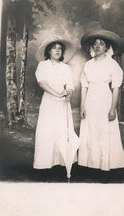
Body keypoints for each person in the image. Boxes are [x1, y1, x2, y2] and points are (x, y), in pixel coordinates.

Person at [78, 30, 124, 171]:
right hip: (90, 100)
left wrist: (113, 108)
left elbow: (116, 88)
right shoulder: (88, 65)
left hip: (105, 100)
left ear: (107, 47)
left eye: (102, 44)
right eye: (95, 44)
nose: (98, 46)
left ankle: (105, 164)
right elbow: (84, 86)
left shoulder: (112, 64)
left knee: (104, 130)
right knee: (91, 129)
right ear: (92, 47)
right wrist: (82, 107)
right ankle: (90, 162)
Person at [33, 38, 78, 178]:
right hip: (49, 102)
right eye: (54, 48)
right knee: (47, 131)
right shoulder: (43, 65)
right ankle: (45, 163)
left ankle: (62, 162)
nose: (58, 50)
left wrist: (68, 95)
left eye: (60, 48)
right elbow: (42, 83)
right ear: (48, 51)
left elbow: (70, 86)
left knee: (62, 132)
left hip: (63, 104)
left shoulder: (66, 68)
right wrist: (58, 93)